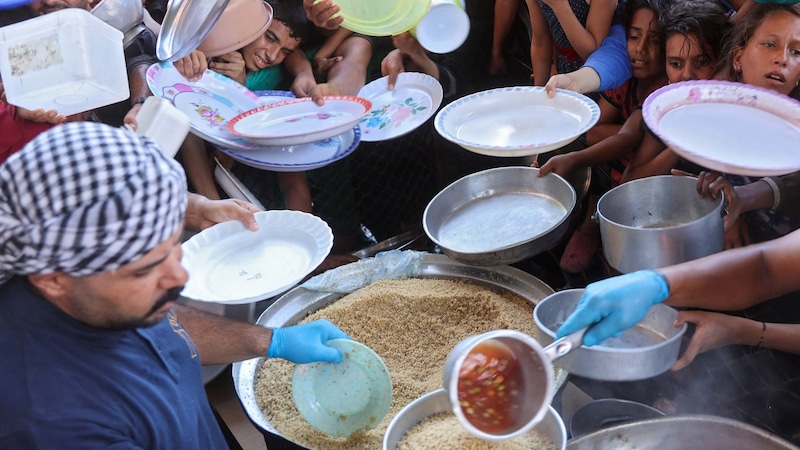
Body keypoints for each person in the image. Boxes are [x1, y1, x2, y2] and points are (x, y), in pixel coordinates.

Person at [0, 122, 349, 448]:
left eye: (172, 248)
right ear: (53, 281)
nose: (179, 277)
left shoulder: (110, 298)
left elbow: (166, 326)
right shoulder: (55, 425)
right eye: (145, 270)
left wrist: (271, 341)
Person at [557, 3, 800, 370]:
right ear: (737, 58)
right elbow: (764, 266)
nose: (782, 60)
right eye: (769, 45)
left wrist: (744, 330)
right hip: (739, 272)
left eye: (796, 51)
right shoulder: (695, 106)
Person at [536, 0, 669, 274]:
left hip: (649, 202)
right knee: (613, 260)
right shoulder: (626, 80)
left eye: (655, 40)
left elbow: (628, 136)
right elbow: (594, 126)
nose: (641, 48)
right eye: (634, 37)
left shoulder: (664, 92)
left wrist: (574, 158)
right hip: (616, 185)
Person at [621, 0, 731, 183]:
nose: (687, 75)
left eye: (702, 62)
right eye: (676, 64)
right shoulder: (665, 108)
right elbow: (631, 180)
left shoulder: (738, 110)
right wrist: (681, 143)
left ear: (723, 61)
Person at [527, 0, 617, 86]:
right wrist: (539, 90)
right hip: (561, 67)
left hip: (593, 74)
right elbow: (541, 42)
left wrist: (560, 6)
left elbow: (594, 54)